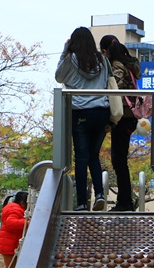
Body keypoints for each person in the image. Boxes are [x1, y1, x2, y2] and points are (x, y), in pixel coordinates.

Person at [55, 26, 111, 211]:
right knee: (93, 156)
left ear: (73, 42)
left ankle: (81, 203)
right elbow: (108, 80)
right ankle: (100, 194)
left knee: (81, 158)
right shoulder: (102, 60)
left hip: (79, 111)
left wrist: (65, 50)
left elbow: (58, 77)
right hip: (101, 111)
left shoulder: (70, 60)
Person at [100, 35, 141, 212]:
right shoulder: (129, 65)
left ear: (106, 50)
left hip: (123, 116)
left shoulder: (116, 65)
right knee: (120, 160)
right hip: (131, 116)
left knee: (119, 161)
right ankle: (125, 201)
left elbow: (114, 89)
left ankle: (125, 202)